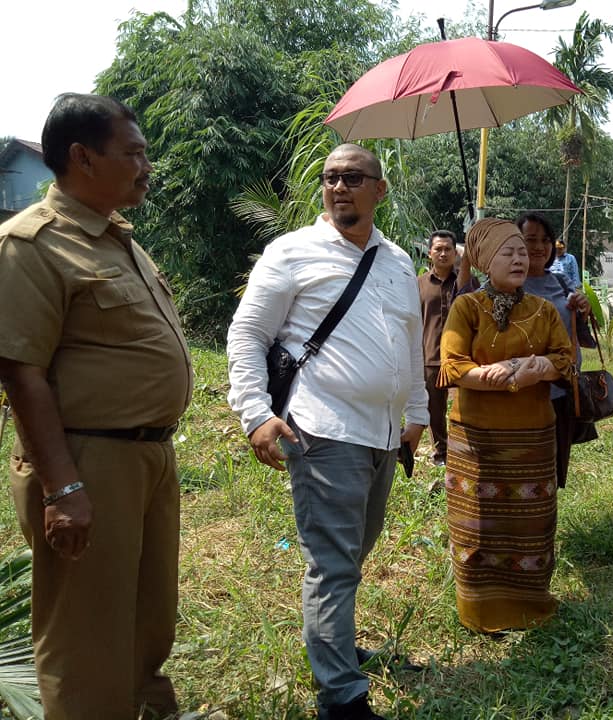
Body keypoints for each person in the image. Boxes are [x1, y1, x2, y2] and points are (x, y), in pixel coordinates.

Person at [0, 93, 192, 719]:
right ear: (82, 157)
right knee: (86, 637)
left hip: (147, 458)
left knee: (145, 619)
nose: (146, 165)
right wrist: (62, 487)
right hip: (87, 461)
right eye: (133, 152)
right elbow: (20, 371)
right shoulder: (32, 244)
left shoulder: (118, 239)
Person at [226, 143, 427, 720]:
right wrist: (256, 413)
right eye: (331, 177)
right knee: (334, 562)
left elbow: (410, 344)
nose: (340, 187)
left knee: (355, 552)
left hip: (383, 434)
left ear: (379, 190)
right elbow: (246, 336)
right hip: (322, 429)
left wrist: (416, 414)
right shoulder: (290, 253)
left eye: (354, 177)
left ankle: (336, 644)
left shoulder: (394, 260)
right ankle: (341, 697)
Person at [438, 218, 573, 633]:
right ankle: (479, 611)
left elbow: (565, 359)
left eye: (522, 252)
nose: (519, 259)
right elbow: (452, 365)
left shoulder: (544, 309)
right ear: (482, 261)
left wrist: (538, 369)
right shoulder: (466, 307)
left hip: (532, 437)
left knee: (530, 524)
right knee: (476, 524)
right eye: (508, 253)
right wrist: (499, 376)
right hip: (476, 440)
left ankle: (531, 605)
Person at [517, 211, 595, 488]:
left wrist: (583, 308)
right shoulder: (508, 283)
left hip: (562, 388)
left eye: (545, 240)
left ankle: (545, 521)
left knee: (554, 461)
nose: (539, 247)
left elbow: (577, 331)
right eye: (530, 239)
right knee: (523, 464)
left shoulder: (561, 282)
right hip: (522, 392)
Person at [418, 230, 476, 468]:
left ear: (455, 253)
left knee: (469, 404)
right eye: (438, 249)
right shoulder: (419, 284)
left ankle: (469, 448)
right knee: (435, 408)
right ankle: (441, 452)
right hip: (431, 356)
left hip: (465, 356)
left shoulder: (467, 282)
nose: (443, 253)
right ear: (430, 253)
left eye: (448, 249)